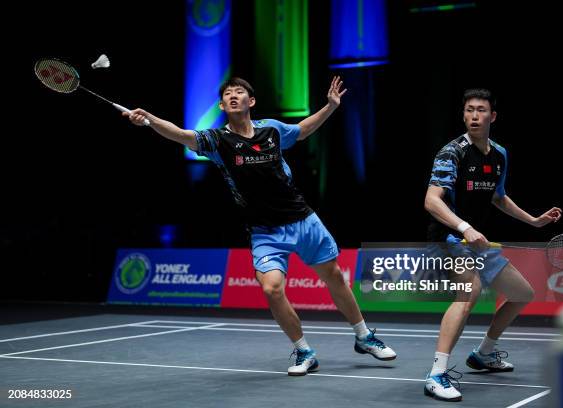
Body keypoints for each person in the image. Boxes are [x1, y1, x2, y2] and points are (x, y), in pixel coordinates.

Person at [123, 76, 396, 376]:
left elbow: (303, 130)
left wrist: (330, 106)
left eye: (239, 92)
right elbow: (180, 135)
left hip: (302, 219)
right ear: (222, 105)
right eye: (228, 94)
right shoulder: (217, 140)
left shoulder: (272, 130)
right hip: (265, 231)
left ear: (251, 101)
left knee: (333, 275)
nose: (233, 96)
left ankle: (363, 335)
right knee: (271, 288)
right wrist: (148, 119)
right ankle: (304, 351)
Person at [423, 88, 562, 401]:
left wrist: (534, 221)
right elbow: (431, 201)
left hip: (477, 241)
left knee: (522, 293)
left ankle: (483, 353)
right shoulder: (452, 152)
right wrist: (464, 227)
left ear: (492, 116)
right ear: (463, 115)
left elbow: (498, 197)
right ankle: (435, 374)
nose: (474, 115)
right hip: (448, 237)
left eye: (481, 110)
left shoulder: (499, 154)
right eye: (469, 109)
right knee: (468, 292)